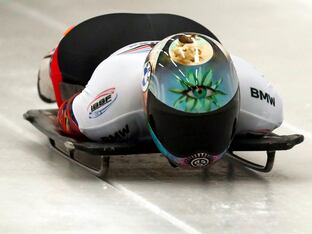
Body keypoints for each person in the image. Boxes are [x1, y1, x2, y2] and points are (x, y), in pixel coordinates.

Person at [38, 14, 283, 168]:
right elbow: (68, 116)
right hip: (97, 43)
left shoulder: (259, 98)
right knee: (50, 87)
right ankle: (60, 45)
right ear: (145, 99)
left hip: (192, 34)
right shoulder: (105, 109)